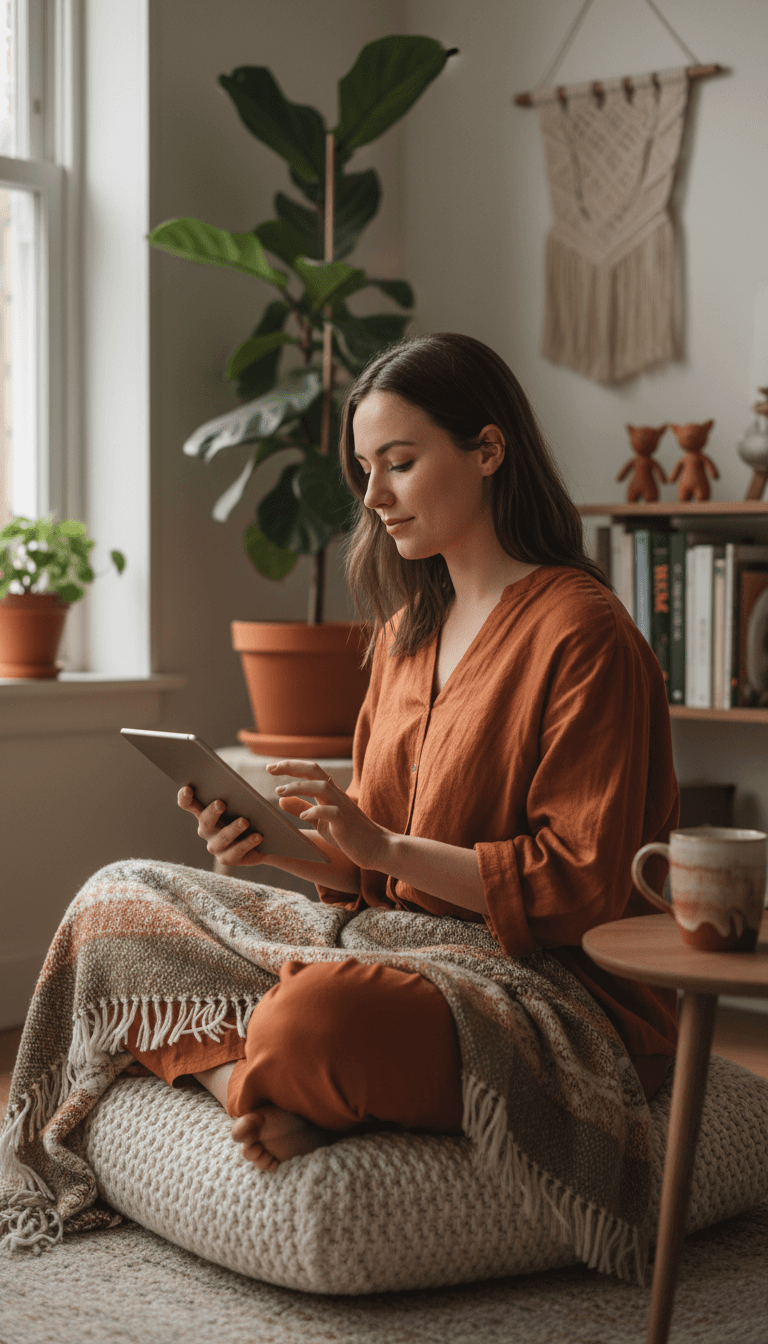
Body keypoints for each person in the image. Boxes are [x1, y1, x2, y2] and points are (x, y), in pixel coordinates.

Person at [128, 332, 678, 1173]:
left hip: (541, 990)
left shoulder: (584, 631)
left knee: (316, 1017)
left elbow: (582, 881)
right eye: (364, 470)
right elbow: (375, 874)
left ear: (488, 449)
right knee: (121, 909)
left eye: (400, 462)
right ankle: (274, 1084)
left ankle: (262, 1070)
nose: (374, 495)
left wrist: (382, 849)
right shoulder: (401, 639)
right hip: (390, 945)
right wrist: (276, 842)